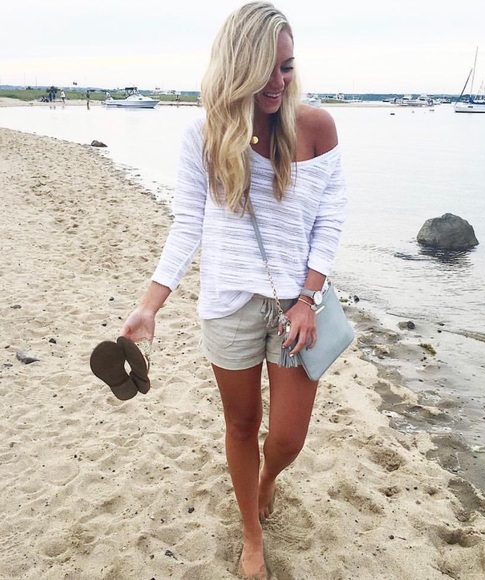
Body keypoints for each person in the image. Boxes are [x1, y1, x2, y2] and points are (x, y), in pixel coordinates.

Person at [120, 2, 346, 578]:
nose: (278, 82)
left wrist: (308, 298)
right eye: (265, 70)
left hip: (296, 310)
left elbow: (330, 220)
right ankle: (251, 533)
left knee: (288, 438)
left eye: (287, 68)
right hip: (228, 306)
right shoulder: (203, 135)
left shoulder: (316, 128)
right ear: (235, 68)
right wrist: (149, 306)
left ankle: (269, 478)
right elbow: (187, 225)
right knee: (242, 425)